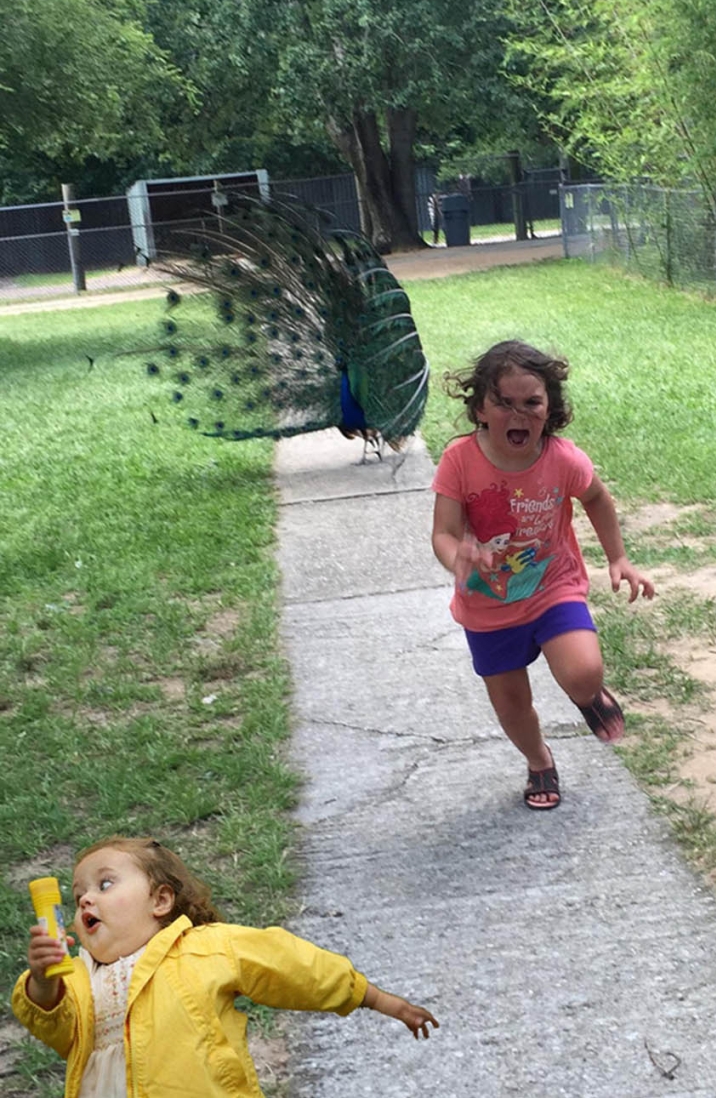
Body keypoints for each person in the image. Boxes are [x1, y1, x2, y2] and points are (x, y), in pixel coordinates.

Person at [13, 836, 438, 1097]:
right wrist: (43, 983)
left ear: (160, 901)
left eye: (105, 884)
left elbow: (293, 967)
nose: (86, 899)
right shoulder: (80, 977)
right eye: (78, 895)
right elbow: (60, 1028)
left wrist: (377, 999)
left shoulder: (205, 948)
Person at [431, 340, 655, 811]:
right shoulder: (459, 461)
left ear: (550, 407)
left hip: (554, 587)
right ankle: (539, 761)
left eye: (531, 402)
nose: (519, 414)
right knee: (512, 705)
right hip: (486, 604)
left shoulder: (563, 458)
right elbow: (444, 533)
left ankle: (587, 695)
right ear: (480, 409)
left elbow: (596, 497)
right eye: (503, 403)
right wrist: (459, 557)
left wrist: (618, 557)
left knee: (583, 671)